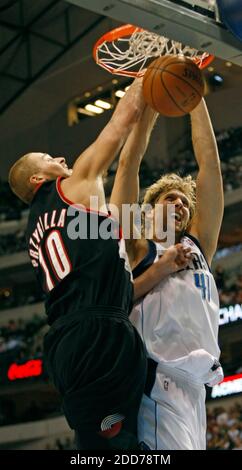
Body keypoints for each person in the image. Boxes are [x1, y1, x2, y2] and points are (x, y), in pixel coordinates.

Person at [8, 78, 150, 450]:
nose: (60, 159)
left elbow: (130, 165)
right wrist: (145, 76)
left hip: (73, 339)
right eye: (49, 159)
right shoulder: (71, 188)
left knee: (112, 442)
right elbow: (120, 122)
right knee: (115, 446)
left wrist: (151, 109)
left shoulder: (36, 228)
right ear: (38, 178)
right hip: (98, 334)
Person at [111, 97, 224, 450]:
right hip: (157, 378)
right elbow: (128, 165)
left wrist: (195, 98)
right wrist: (150, 105)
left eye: (184, 203)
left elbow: (209, 167)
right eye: (170, 198)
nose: (180, 204)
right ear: (148, 210)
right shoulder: (138, 247)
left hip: (195, 389)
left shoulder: (197, 247)